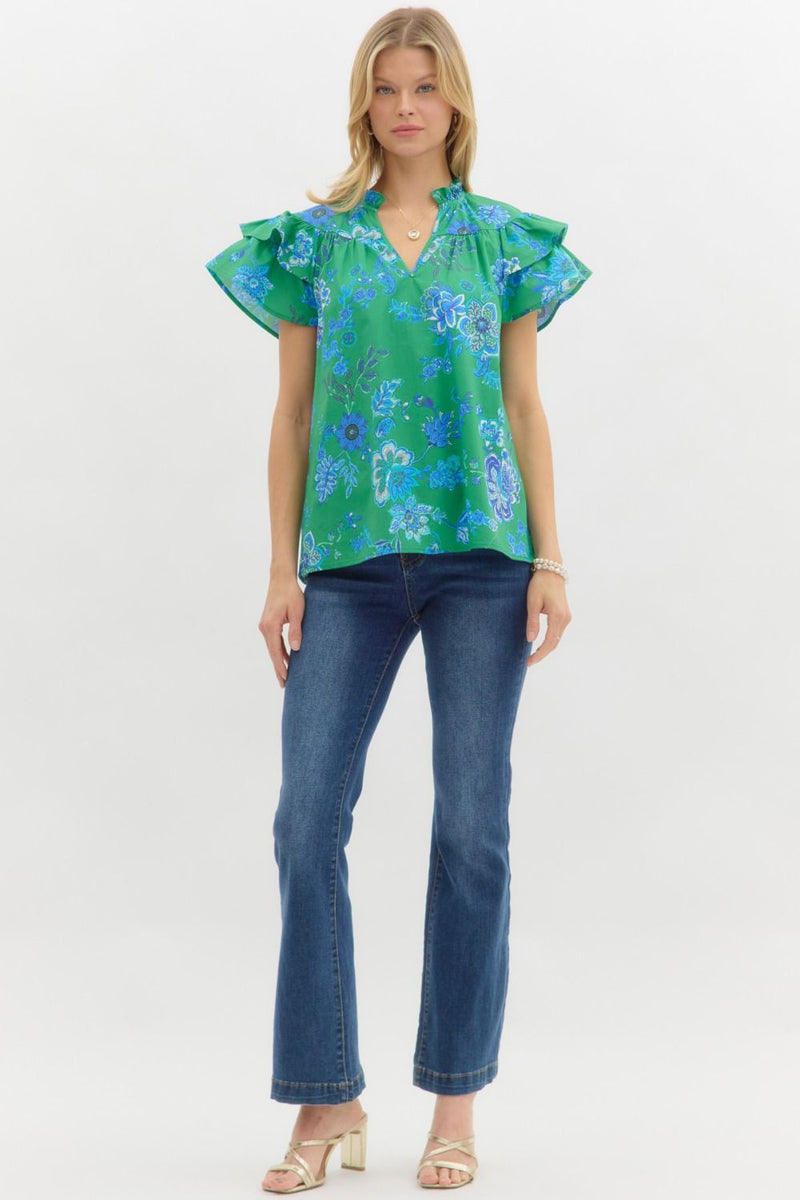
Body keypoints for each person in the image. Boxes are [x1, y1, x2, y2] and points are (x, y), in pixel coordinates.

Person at [205, 6, 591, 1191]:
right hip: (348, 564)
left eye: (424, 86)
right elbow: (290, 414)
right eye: (385, 89)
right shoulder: (314, 247)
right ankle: (326, 1099)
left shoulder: (502, 243)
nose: (405, 107)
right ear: (363, 104)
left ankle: (452, 1106)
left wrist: (550, 559)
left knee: (471, 827)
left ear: (453, 99)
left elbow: (521, 406)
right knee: (303, 821)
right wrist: (280, 568)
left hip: (482, 558)